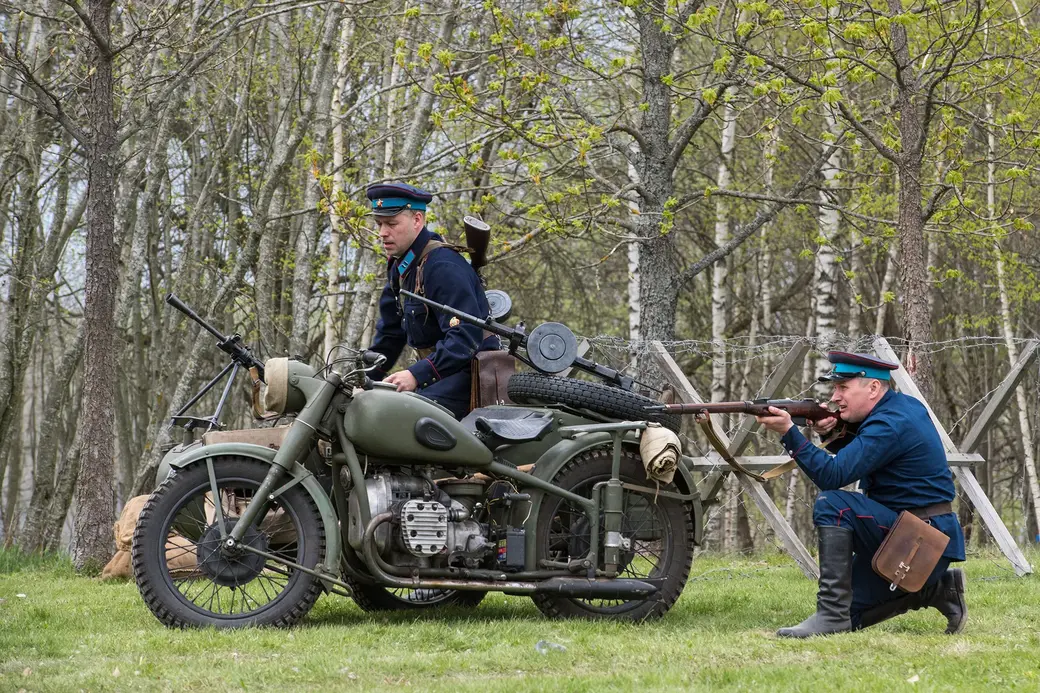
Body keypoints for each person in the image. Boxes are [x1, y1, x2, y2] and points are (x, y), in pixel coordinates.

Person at [755, 351, 967, 638]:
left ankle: (831, 613)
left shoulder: (889, 423)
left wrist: (789, 433)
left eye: (843, 387)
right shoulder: (901, 408)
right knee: (850, 616)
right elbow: (866, 453)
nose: (835, 396)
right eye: (835, 388)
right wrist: (829, 431)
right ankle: (935, 588)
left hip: (918, 539)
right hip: (911, 532)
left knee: (834, 505)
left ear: (873, 388)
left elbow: (833, 476)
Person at [364, 182, 497, 419]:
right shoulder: (402, 267)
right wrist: (366, 377)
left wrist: (417, 374)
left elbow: (465, 337)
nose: (383, 232)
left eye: (392, 224)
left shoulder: (442, 266)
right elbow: (391, 335)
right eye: (379, 224)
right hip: (441, 375)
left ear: (417, 220)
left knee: (394, 418)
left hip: (470, 378)